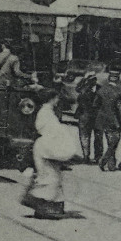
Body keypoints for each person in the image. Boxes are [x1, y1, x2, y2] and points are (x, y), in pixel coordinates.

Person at [22, 87, 79, 219]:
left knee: (51, 176)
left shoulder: (46, 112)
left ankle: (47, 207)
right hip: (46, 147)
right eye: (57, 98)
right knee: (49, 177)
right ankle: (43, 206)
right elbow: (51, 131)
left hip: (46, 146)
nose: (58, 100)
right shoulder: (46, 113)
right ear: (52, 99)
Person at [95, 68, 121, 171]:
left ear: (109, 79)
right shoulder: (119, 92)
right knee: (113, 142)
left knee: (110, 141)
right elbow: (120, 109)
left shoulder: (101, 90)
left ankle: (111, 164)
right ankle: (106, 161)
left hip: (102, 119)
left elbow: (95, 104)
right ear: (118, 79)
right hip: (114, 119)